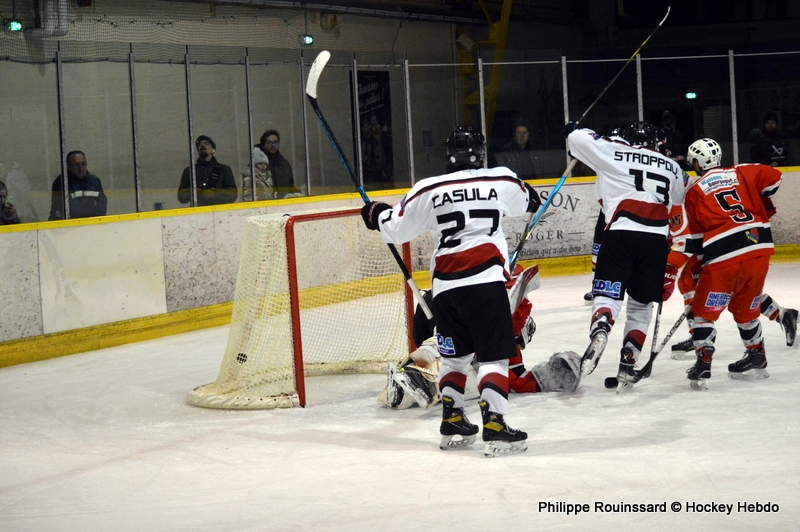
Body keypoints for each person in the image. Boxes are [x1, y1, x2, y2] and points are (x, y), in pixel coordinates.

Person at [360, 126, 541, 457]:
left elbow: (396, 228)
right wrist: (528, 193)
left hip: (445, 289)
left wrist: (375, 214)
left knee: (455, 359)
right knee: (493, 357)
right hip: (485, 283)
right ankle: (496, 424)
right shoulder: (500, 179)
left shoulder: (428, 188)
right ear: (481, 153)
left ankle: (453, 419)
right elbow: (530, 201)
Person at [566, 121, 687, 391]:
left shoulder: (613, 150)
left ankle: (601, 329)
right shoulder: (672, 166)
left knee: (607, 295)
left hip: (620, 232)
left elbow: (576, 138)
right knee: (640, 307)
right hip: (656, 240)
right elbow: (679, 197)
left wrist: (581, 128)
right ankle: (629, 359)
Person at [673, 137, 782, 390]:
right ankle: (757, 355)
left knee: (702, 313)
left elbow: (696, 239)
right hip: (759, 248)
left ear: (697, 163)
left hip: (725, 255)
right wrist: (760, 198)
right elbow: (776, 177)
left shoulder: (694, 190)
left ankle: (703, 361)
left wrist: (698, 268)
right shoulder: (741, 171)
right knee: (746, 307)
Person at [378, 281, 582, 410]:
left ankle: (405, 378)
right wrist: (552, 376)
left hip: (436, 297)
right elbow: (517, 382)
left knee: (448, 345)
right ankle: (418, 381)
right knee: (467, 370)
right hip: (456, 305)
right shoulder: (508, 332)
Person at [667, 203, 798, 355]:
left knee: (693, 283)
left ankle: (698, 334)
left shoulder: (686, 187)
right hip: (726, 234)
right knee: (733, 287)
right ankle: (781, 314)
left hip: (710, 237)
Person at [177, 135, 237, 206]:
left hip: (220, 212)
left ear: (213, 150)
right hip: (197, 213)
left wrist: (215, 194)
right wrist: (195, 192)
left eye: (206, 143)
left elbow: (233, 195)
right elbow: (181, 197)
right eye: (200, 144)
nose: (202, 145)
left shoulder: (224, 169)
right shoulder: (189, 171)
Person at [49, 151, 107, 220]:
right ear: (68, 167)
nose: (81, 168)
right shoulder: (61, 183)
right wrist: (92, 204)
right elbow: (69, 210)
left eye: (83, 164)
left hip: (89, 225)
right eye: (76, 165)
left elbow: (102, 208)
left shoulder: (95, 181)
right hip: (63, 227)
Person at [259, 130, 302, 198]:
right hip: (265, 205)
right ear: (263, 145)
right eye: (269, 142)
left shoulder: (284, 163)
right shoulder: (256, 164)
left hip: (284, 204)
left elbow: (290, 186)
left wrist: (299, 193)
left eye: (275, 142)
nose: (273, 145)